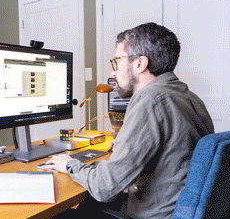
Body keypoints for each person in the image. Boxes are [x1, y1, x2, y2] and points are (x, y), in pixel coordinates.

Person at [41, 22, 214, 219]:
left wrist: (70, 164)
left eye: (117, 61)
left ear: (140, 63)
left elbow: (105, 189)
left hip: (154, 214)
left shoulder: (149, 100)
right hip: (179, 208)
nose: (113, 72)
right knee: (88, 204)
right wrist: (128, 147)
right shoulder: (190, 97)